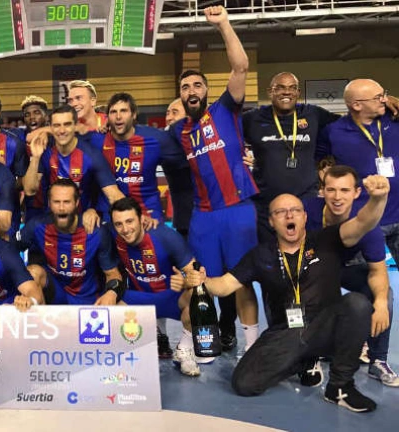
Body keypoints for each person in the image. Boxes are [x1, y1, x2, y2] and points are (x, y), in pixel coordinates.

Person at [189, 175, 390, 412]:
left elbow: (364, 222)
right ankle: (303, 360)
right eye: (280, 212)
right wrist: (202, 282)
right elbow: (224, 285)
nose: (289, 215)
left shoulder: (328, 238)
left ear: (304, 217)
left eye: (295, 210)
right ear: (271, 222)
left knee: (357, 303)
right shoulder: (260, 255)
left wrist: (378, 199)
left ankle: (340, 386)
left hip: (327, 327)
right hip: (287, 331)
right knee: (244, 383)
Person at [165, 6, 259, 353]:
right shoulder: (178, 132)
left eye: (197, 84)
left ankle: (251, 347)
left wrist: (223, 24)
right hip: (202, 217)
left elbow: (241, 66)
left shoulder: (225, 109)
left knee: (242, 282)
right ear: (180, 95)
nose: (191, 90)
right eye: (184, 87)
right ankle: (192, 346)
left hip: (237, 210)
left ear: (206, 90)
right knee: (197, 281)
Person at [303, 165, 397, 387]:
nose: (337, 197)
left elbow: (378, 270)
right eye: (331, 190)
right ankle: (308, 352)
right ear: (322, 191)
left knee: (384, 296)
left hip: (349, 267)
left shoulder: (369, 227)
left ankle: (378, 360)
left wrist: (380, 304)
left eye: (344, 190)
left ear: (356, 193)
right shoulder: (306, 212)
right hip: (314, 266)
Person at [243, 72, 342, 244]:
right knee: (270, 253)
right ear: (270, 92)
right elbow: (223, 130)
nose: (286, 92)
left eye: (292, 88)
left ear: (298, 93)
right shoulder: (253, 118)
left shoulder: (313, 114)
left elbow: (349, 123)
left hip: (306, 200)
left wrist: (386, 104)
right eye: (280, 87)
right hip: (266, 203)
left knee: (309, 250)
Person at [109, 197, 204, 375]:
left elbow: (196, 273)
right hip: (139, 299)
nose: (125, 229)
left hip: (170, 297)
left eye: (130, 221)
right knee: (107, 302)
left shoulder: (166, 236)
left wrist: (185, 280)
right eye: (119, 224)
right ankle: (131, 349)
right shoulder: (112, 236)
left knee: (201, 296)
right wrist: (90, 212)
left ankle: (184, 350)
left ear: (141, 219)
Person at [317, 79, 399, 285]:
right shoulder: (333, 131)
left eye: (384, 94)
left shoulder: (395, 118)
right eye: (378, 97)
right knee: (367, 284)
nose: (384, 100)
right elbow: (319, 161)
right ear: (356, 105)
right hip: (363, 218)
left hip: (398, 211)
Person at [19, 179, 124, 305]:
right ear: (49, 203)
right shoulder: (37, 226)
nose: (61, 208)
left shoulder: (96, 232)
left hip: (89, 300)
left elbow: (112, 273)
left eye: (67, 202)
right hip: (56, 295)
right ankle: (37, 315)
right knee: (32, 272)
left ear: (76, 203)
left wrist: (112, 293)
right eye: (56, 202)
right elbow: (10, 250)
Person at [23, 105, 124, 230]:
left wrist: (135, 216)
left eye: (67, 124)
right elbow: (29, 190)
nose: (62, 130)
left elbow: (113, 195)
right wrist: (35, 157)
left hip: (84, 223)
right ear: (51, 128)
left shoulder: (91, 155)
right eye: (57, 125)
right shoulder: (45, 151)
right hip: (53, 222)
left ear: (75, 126)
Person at [90, 92, 182, 223]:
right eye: (113, 112)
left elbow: (186, 158)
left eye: (123, 111)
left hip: (149, 216)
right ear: (107, 117)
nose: (118, 116)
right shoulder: (97, 141)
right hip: (109, 217)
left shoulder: (155, 139)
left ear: (133, 115)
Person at [162, 98, 193, 240]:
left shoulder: (203, 141)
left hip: (212, 217)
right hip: (184, 222)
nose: (169, 117)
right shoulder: (163, 143)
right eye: (167, 113)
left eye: (174, 112)